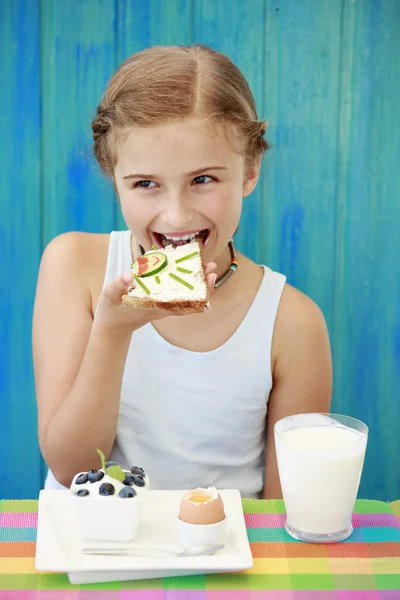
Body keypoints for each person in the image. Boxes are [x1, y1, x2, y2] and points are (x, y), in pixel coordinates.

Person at [33, 44, 332, 499]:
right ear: (113, 176)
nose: (175, 217)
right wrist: (112, 332)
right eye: (146, 184)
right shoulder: (74, 267)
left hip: (227, 559)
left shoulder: (293, 323)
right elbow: (69, 468)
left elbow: (282, 519)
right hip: (96, 553)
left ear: (250, 170)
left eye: (203, 179)